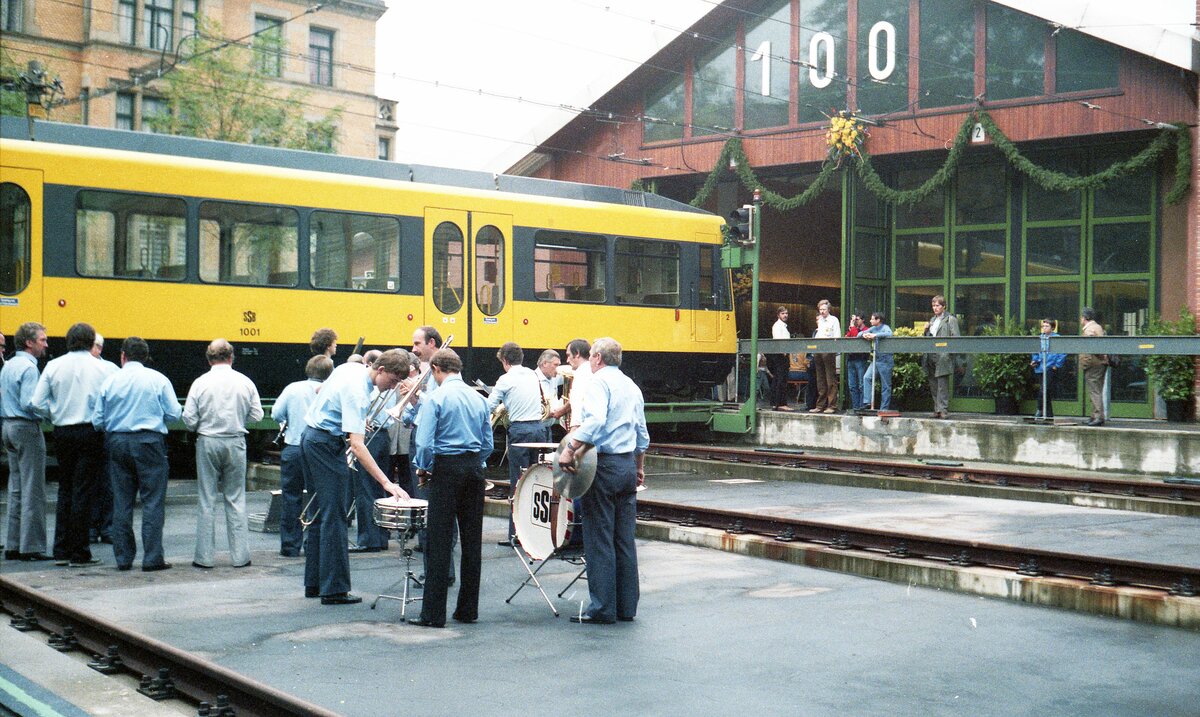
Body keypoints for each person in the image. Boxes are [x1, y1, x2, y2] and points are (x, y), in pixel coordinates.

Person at [301, 349, 408, 605]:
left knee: (318, 513)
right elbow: (358, 447)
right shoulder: (358, 393)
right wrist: (386, 482)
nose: (391, 388)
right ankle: (334, 589)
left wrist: (349, 418)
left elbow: (320, 390)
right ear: (380, 370)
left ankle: (315, 583)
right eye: (392, 381)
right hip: (326, 445)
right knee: (335, 516)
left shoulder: (350, 368)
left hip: (311, 437)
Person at [557, 337, 648, 625]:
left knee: (599, 538)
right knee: (624, 539)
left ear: (597, 358)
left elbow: (595, 421)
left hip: (604, 466)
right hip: (626, 466)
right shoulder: (631, 386)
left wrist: (570, 448)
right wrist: (639, 467)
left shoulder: (599, 383)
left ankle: (603, 608)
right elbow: (642, 434)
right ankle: (626, 607)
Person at [408, 348, 493, 628]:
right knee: (472, 542)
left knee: (439, 541)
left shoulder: (436, 398)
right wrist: (474, 462)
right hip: (474, 469)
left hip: (446, 469)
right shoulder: (479, 399)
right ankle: (467, 610)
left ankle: (433, 614)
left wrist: (424, 467)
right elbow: (488, 444)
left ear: (436, 369)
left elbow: (424, 443)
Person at [91, 337, 181, 571]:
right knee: (153, 501)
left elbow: (97, 420)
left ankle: (123, 558)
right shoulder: (158, 379)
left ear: (123, 356)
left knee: (121, 501)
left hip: (118, 441)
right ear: (146, 357)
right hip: (150, 442)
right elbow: (174, 414)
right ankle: (152, 558)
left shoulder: (110, 381)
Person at [32, 322, 110, 566]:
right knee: (84, 490)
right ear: (91, 342)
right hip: (90, 432)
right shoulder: (103, 369)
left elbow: (36, 403)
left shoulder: (54, 366)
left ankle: (61, 548)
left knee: (65, 488)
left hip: (62, 431)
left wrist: (53, 414)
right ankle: (80, 551)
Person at [183, 339, 264, 569]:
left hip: (208, 441)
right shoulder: (245, 382)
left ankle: (204, 557)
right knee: (236, 498)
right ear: (231, 357)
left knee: (207, 498)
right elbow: (257, 415)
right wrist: (239, 419)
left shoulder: (200, 383)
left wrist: (201, 424)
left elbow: (189, 418)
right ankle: (240, 557)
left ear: (209, 359)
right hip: (235, 441)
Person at [272, 354, 333, 557]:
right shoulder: (331, 389)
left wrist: (288, 421)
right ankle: (314, 545)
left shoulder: (292, 388)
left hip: (294, 447)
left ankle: (290, 546)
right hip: (320, 449)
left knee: (291, 497)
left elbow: (276, 413)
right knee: (318, 497)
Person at [2, 321, 51, 561]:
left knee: (16, 487)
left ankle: (13, 543)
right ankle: (31, 546)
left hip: (8, 426)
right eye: (42, 340)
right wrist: (51, 411)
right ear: (29, 343)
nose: (46, 344)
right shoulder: (30, 368)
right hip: (25, 427)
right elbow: (29, 403)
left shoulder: (9, 364)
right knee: (34, 489)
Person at [487, 342, 544, 545]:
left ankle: (516, 535)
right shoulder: (532, 374)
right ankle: (536, 533)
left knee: (518, 483)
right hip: (539, 430)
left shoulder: (505, 379)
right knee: (536, 481)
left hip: (520, 432)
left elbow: (489, 406)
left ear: (505, 360)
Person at [352, 348, 400, 553]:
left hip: (369, 436)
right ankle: (381, 537)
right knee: (379, 489)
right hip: (383, 436)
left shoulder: (371, 387)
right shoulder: (391, 386)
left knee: (365, 489)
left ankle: (368, 539)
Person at [88, 332, 119, 545]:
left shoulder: (110, 369)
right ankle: (105, 528)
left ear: (98, 348)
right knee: (105, 480)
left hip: (95, 429)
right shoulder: (112, 370)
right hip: (104, 430)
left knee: (99, 481)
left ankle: (94, 529)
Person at [922, 295, 960, 419]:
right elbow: (928, 337)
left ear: (944, 306)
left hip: (943, 354)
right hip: (931, 354)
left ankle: (943, 410)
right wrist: (925, 330)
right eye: (933, 306)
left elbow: (956, 338)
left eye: (937, 305)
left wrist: (949, 354)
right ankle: (937, 409)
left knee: (942, 384)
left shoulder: (950, 319)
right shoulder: (932, 319)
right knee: (933, 383)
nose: (935, 308)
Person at [1031, 319, 1067, 419]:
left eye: (1047, 326)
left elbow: (1062, 353)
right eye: (1043, 326)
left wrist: (1057, 365)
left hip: (1050, 367)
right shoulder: (1040, 338)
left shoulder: (1057, 338)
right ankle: (1049, 414)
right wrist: (1034, 360)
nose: (1044, 328)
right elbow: (1035, 352)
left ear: (1052, 328)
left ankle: (1039, 409)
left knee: (1044, 389)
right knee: (1045, 390)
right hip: (1040, 367)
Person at [810, 299, 841, 413]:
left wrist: (835, 350)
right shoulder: (820, 320)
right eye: (820, 309)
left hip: (829, 350)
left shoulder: (834, 320)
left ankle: (832, 405)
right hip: (818, 350)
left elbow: (837, 336)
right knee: (820, 379)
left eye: (824, 309)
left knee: (830, 379)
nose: (822, 311)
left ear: (829, 309)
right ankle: (820, 405)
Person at [860, 313, 894, 411]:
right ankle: (867, 402)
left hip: (885, 359)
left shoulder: (885, 327)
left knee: (885, 385)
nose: (870, 321)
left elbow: (889, 334)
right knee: (867, 377)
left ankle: (884, 408)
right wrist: (864, 335)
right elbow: (859, 334)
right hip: (876, 359)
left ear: (878, 320)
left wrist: (875, 335)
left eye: (872, 319)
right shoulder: (872, 328)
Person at [1080, 307, 1108, 427]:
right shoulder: (1097, 327)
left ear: (1085, 318)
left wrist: (1086, 363)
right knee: (1096, 390)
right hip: (1098, 363)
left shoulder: (1090, 329)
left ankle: (1098, 417)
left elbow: (1092, 347)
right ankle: (1094, 415)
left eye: (1081, 317)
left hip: (1093, 364)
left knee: (1094, 390)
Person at [535, 349, 567, 440]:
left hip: (548, 428)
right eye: (555, 365)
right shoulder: (533, 379)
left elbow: (573, 371)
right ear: (545, 363)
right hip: (537, 429)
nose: (558, 369)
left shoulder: (554, 377)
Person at [564, 338, 593, 432]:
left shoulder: (582, 374)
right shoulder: (591, 371)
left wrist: (574, 429)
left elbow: (579, 404)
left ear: (577, 353)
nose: (567, 360)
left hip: (582, 429)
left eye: (568, 355)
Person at [768, 307, 792, 411]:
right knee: (781, 379)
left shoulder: (783, 326)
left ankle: (776, 403)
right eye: (783, 313)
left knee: (779, 378)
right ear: (778, 315)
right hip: (780, 354)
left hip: (782, 353)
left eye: (786, 313)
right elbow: (778, 340)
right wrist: (784, 352)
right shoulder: (778, 326)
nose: (785, 315)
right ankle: (780, 403)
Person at [844, 314, 868, 413]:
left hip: (861, 359)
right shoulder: (853, 329)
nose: (855, 321)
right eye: (854, 320)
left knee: (861, 384)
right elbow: (846, 339)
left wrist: (852, 327)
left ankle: (862, 407)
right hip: (851, 359)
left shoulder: (866, 330)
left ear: (863, 320)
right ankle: (855, 407)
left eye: (857, 319)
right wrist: (852, 328)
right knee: (852, 386)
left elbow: (855, 339)